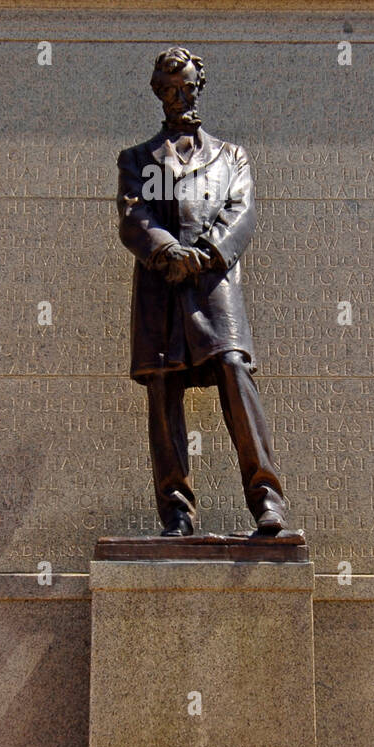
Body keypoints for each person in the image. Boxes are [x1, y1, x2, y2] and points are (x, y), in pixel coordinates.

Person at [117, 46, 288, 537]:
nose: (181, 95)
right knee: (164, 388)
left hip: (214, 285)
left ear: (199, 85)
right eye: (171, 89)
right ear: (158, 94)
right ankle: (176, 514)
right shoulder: (135, 159)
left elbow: (242, 211)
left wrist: (207, 252)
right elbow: (133, 218)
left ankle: (267, 502)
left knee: (235, 372)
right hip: (160, 288)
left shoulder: (231, 156)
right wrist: (168, 251)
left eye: (188, 85)